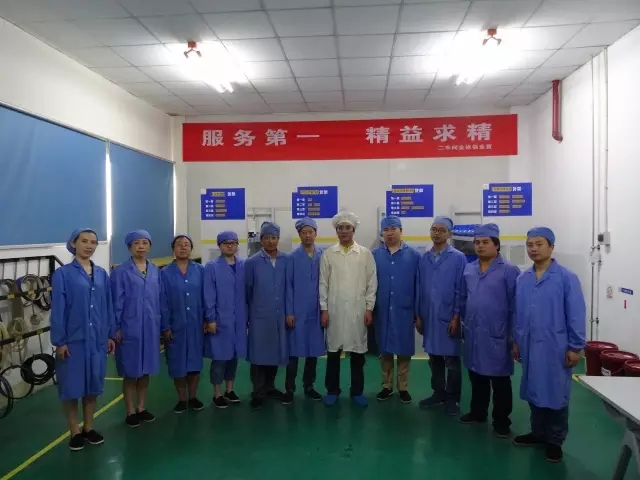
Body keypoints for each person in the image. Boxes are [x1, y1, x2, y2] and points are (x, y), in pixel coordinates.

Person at [512, 227, 586, 463]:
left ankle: (554, 440)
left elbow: (576, 314)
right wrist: (516, 341)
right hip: (529, 345)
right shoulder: (523, 279)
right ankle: (537, 433)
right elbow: (518, 313)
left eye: (539, 244)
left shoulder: (566, 278)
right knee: (534, 390)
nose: (533, 248)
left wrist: (575, 347)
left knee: (556, 394)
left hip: (556, 347)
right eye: (530, 244)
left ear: (551, 247)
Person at [50, 228, 116, 451]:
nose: (89, 246)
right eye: (84, 241)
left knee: (92, 386)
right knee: (71, 387)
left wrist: (109, 334)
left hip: (96, 339)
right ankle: (74, 431)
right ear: (74, 243)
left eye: (93, 242)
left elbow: (108, 306)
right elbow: (58, 311)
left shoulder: (102, 274)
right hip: (73, 341)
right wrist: (60, 341)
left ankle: (88, 428)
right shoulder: (63, 275)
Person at [458, 223, 520, 437]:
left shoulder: (509, 270)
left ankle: (502, 420)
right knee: (476, 375)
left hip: (498, 333)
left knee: (500, 379)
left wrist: (514, 336)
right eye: (477, 242)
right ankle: (478, 412)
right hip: (473, 331)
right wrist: (463, 321)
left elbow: (516, 305)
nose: (480, 246)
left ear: (497, 245)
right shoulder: (469, 269)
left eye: (485, 242)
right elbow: (463, 298)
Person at [320, 211, 377, 407]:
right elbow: (323, 283)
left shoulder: (365, 254)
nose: (344, 231)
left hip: (357, 310)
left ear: (353, 230)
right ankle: (332, 390)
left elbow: (371, 283)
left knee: (358, 354)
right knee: (333, 353)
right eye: (340, 228)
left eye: (347, 228)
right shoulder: (328, 254)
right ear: (336, 231)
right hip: (334, 310)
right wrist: (324, 309)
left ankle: (357, 391)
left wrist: (369, 308)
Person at [111, 230, 161, 427]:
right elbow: (116, 302)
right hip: (129, 327)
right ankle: (130, 411)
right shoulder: (120, 272)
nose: (141, 246)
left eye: (145, 243)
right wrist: (115, 327)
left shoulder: (155, 270)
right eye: (137, 243)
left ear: (149, 246)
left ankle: (141, 407)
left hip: (150, 327)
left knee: (146, 369)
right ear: (129, 247)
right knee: (131, 372)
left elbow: (160, 299)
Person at [417, 215, 466, 416]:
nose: (436, 234)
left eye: (441, 230)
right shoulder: (425, 258)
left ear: (449, 234)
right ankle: (438, 393)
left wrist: (456, 317)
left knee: (452, 361)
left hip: (448, 316)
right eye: (434, 229)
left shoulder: (458, 258)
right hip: (429, 316)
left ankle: (453, 398)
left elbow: (460, 289)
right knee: (434, 358)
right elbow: (419, 288)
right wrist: (419, 315)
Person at [372, 215, 420, 404]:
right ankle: (386, 385)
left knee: (403, 350)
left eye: (394, 229)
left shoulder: (414, 256)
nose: (390, 233)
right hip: (382, 310)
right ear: (382, 233)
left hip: (404, 310)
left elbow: (418, 285)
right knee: (384, 350)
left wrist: (417, 311)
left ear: (401, 231)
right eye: (386, 230)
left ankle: (403, 387)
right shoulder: (375, 255)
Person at [245, 221, 289, 410]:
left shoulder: (286, 260)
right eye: (267, 238)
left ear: (278, 239)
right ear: (261, 240)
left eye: (274, 237)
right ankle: (258, 391)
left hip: (279, 316)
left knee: (274, 352)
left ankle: (270, 387)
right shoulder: (252, 262)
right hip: (259, 316)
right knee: (258, 354)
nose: (271, 241)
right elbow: (248, 290)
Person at [160, 234, 205, 414]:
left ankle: (193, 397)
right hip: (175, 325)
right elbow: (162, 302)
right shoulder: (164, 273)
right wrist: (166, 326)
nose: (183, 247)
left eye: (187, 244)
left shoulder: (200, 271)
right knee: (177, 363)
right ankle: (181, 398)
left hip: (196, 324)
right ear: (173, 249)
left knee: (194, 362)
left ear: (191, 249)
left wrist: (207, 319)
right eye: (179, 244)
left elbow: (206, 297)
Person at [283, 217, 325, 403]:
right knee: (293, 352)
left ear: (316, 233)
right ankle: (289, 388)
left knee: (312, 351)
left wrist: (325, 309)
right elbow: (288, 286)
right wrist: (289, 312)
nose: (307, 235)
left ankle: (309, 386)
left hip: (316, 310)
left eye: (310, 232)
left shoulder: (323, 256)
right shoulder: (292, 258)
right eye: (304, 232)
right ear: (299, 235)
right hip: (297, 311)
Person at [203, 231, 246, 408]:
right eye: (226, 243)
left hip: (239, 319)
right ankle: (217, 393)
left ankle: (230, 389)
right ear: (219, 246)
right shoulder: (212, 267)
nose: (230, 245)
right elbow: (208, 294)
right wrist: (211, 318)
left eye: (233, 243)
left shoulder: (243, 265)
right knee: (219, 357)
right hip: (221, 319)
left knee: (234, 356)